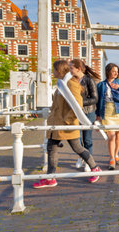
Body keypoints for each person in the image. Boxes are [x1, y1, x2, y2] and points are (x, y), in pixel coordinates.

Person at [33, 60, 101, 188]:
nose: (52, 72)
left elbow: (78, 104)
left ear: (59, 70)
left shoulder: (71, 84)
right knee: (52, 149)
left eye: (53, 69)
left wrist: (67, 121)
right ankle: (50, 178)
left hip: (66, 124)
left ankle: (95, 168)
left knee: (78, 148)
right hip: (56, 124)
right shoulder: (61, 83)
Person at [96, 63, 119, 170]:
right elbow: (97, 102)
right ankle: (111, 159)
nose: (116, 73)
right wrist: (97, 115)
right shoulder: (101, 85)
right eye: (113, 71)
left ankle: (116, 155)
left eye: (117, 71)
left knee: (118, 136)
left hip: (118, 111)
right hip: (107, 111)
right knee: (111, 136)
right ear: (108, 72)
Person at [69, 59, 100, 172]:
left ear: (78, 69)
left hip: (88, 112)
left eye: (71, 68)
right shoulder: (71, 80)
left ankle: (89, 161)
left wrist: (80, 102)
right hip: (75, 112)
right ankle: (82, 157)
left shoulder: (89, 80)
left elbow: (95, 98)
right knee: (77, 139)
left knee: (87, 139)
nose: (70, 70)